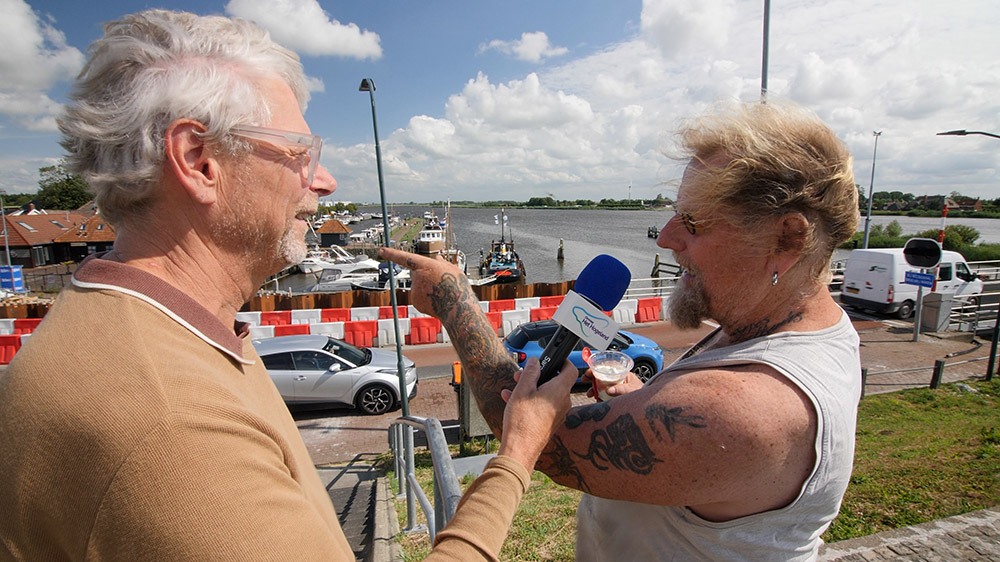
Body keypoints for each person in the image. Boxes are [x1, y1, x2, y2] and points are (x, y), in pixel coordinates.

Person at [0, 10, 579, 562]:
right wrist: (515, 455)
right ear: (198, 159)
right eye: (301, 154)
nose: (324, 182)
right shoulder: (170, 426)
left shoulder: (153, 335)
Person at [383, 101, 862, 561]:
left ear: (787, 238)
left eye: (693, 222)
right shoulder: (802, 328)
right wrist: (644, 397)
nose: (668, 238)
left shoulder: (748, 408)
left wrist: (455, 302)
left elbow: (540, 438)